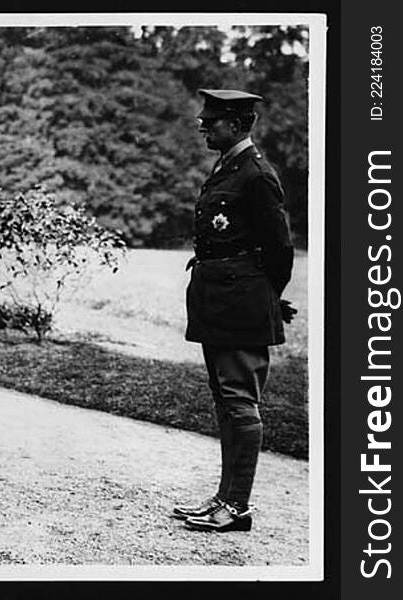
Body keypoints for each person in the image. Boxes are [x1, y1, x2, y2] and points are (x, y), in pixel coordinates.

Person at [173, 90, 296, 531]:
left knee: (241, 404)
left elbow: (280, 249)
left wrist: (265, 296)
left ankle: (237, 507)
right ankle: (224, 499)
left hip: (241, 303)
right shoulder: (228, 166)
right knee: (226, 403)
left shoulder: (257, 175)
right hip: (220, 300)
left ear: (239, 124)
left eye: (213, 122)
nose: (204, 127)